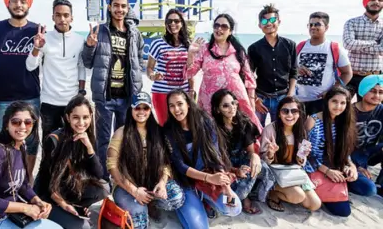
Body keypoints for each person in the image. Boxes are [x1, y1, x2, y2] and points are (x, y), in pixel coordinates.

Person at [82, 0, 144, 180]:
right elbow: (87, 62)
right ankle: (102, 175)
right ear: (109, 7)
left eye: (123, 6)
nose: (120, 9)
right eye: (116, 5)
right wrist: (90, 46)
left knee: (125, 138)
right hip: (104, 96)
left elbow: (139, 60)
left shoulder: (135, 33)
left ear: (128, 8)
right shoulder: (99, 31)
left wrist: (138, 85)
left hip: (127, 97)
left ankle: (121, 173)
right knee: (102, 140)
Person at [0, 0, 41, 183]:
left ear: (29, 4)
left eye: (23, 0)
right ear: (7, 3)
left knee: (31, 140)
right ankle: (9, 176)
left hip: (31, 95)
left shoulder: (37, 30)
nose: (18, 4)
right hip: (4, 95)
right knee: (7, 138)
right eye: (14, 0)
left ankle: (27, 177)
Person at [0, 101, 60, 229]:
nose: (22, 126)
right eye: (16, 122)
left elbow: (22, 185)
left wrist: (37, 201)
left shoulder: (21, 146)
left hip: (12, 215)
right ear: (6, 125)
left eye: (28, 122)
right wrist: (25, 207)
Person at [164, 89, 242, 229]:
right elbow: (180, 166)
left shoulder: (205, 121)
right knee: (198, 227)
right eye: (172, 105)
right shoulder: (169, 129)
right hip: (185, 182)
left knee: (233, 207)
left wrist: (226, 186)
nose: (176, 109)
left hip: (207, 177)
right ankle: (187, 204)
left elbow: (215, 154)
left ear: (188, 103)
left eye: (179, 104)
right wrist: (208, 178)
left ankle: (205, 198)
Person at [107, 92, 185, 228]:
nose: (141, 112)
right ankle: (137, 204)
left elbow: (166, 162)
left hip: (152, 182)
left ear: (150, 110)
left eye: (145, 108)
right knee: (139, 220)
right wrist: (134, 191)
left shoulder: (158, 132)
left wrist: (162, 182)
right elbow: (112, 167)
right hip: (126, 185)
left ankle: (151, 203)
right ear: (131, 109)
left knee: (176, 198)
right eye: (137, 108)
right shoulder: (121, 133)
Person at [34, 95, 108, 228]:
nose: (81, 122)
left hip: (69, 188)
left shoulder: (87, 136)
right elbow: (45, 183)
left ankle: (76, 209)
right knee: (84, 226)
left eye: (85, 117)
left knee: (103, 188)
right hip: (50, 195)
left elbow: (98, 175)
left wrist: (89, 147)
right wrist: (63, 204)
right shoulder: (54, 140)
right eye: (76, 117)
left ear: (91, 117)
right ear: (68, 118)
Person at [186, 14, 262, 132]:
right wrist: (190, 54)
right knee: (211, 133)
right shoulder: (204, 50)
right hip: (209, 101)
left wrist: (251, 101)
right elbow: (189, 73)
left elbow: (249, 78)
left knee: (240, 133)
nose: (219, 29)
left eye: (224, 26)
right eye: (216, 25)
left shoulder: (238, 52)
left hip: (236, 101)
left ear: (230, 31)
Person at [26, 0, 86, 140]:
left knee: (72, 144)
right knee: (50, 145)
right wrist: (37, 47)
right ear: (53, 17)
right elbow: (30, 66)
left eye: (66, 15)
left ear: (72, 18)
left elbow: (82, 67)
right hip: (49, 102)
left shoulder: (79, 40)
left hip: (72, 101)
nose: (62, 19)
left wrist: (81, 92)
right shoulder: (44, 39)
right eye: (58, 15)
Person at [210, 89, 275, 214]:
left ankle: (249, 196)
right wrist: (235, 170)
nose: (232, 107)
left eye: (233, 103)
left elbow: (250, 151)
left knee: (263, 169)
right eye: (225, 105)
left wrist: (254, 157)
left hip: (241, 161)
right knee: (232, 204)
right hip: (222, 168)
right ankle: (240, 198)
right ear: (217, 109)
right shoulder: (213, 128)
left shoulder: (243, 122)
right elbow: (216, 160)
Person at [304, 86, 360, 217]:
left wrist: (352, 167)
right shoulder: (313, 120)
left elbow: (345, 151)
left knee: (367, 189)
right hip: (316, 167)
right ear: (327, 101)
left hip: (337, 164)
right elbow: (306, 153)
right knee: (343, 211)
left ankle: (341, 184)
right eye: (334, 101)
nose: (338, 106)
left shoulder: (344, 121)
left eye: (343, 103)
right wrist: (327, 171)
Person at [259, 97, 321, 212]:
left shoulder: (301, 130)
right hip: (275, 170)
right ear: (278, 114)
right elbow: (263, 161)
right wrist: (270, 154)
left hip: (293, 170)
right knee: (298, 196)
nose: (289, 115)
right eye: (285, 111)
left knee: (314, 204)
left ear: (299, 114)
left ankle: (290, 190)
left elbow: (300, 163)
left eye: (294, 111)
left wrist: (302, 156)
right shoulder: (270, 129)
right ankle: (273, 192)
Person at [248, 4, 298, 127]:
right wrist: (255, 99)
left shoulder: (290, 45)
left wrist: (289, 95)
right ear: (260, 25)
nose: (269, 23)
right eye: (264, 21)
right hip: (261, 98)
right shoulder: (254, 48)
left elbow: (294, 72)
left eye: (272, 19)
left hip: (283, 96)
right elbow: (249, 76)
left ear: (278, 21)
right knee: (257, 130)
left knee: (281, 130)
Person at [296, 12, 352, 115]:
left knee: (320, 130)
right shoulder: (300, 46)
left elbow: (347, 73)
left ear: (326, 27)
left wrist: (332, 91)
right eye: (310, 24)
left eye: (317, 24)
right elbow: (290, 69)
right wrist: (297, 70)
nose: (313, 27)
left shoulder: (333, 48)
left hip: (321, 101)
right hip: (298, 100)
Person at [147, 9, 194, 124]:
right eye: (169, 21)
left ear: (182, 23)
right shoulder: (157, 44)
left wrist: (191, 90)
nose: (173, 24)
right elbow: (149, 68)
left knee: (184, 126)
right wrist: (153, 76)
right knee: (165, 128)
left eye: (176, 21)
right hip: (161, 93)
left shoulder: (188, 44)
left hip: (182, 94)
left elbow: (191, 71)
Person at [343, 0, 383, 101]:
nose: (376, 2)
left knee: (371, 111)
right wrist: (373, 43)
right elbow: (348, 44)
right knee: (342, 109)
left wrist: (358, 46)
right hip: (352, 75)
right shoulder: (352, 22)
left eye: (380, 0)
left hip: (374, 77)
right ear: (366, 2)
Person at [350, 75, 383, 197]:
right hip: (347, 156)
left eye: (381, 92)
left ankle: (382, 184)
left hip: (367, 153)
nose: (377, 96)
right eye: (373, 91)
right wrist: (355, 166)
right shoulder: (348, 112)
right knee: (369, 190)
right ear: (363, 91)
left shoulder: (381, 110)